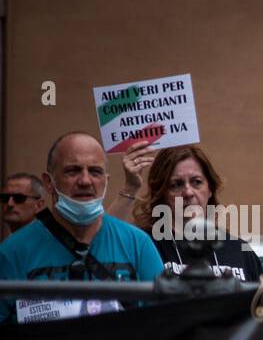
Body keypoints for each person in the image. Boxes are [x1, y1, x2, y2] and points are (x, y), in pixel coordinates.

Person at [0, 132, 163, 323]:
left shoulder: (138, 244)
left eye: (95, 171)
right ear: (48, 182)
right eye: (72, 171)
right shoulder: (13, 252)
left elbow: (165, 322)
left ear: (106, 181)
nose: (85, 181)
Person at [106, 145, 263, 281]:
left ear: (210, 190)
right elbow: (104, 244)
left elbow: (261, 309)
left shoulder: (239, 249)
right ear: (162, 194)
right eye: (176, 185)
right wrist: (130, 187)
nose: (188, 192)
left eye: (197, 182)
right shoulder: (145, 244)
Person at [2, 172, 46, 237]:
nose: (9, 204)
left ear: (38, 205)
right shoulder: (7, 241)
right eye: (5, 198)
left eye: (18, 198)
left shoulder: (47, 240)